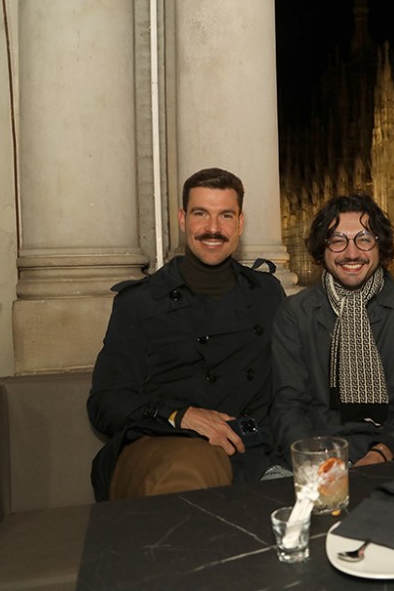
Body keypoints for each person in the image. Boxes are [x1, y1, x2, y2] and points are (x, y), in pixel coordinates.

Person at [87, 168, 285, 501]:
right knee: (187, 482)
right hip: (165, 445)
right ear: (182, 220)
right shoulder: (140, 302)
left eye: (225, 215)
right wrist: (182, 415)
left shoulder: (267, 293)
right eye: (200, 214)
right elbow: (105, 403)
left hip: (253, 450)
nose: (212, 228)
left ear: (240, 223)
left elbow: (289, 383)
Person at [271, 194, 394, 466]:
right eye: (337, 240)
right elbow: (288, 404)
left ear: (381, 248)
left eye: (365, 239)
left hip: (390, 454)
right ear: (323, 248)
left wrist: (381, 453)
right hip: (315, 454)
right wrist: (319, 461)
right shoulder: (295, 313)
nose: (352, 253)